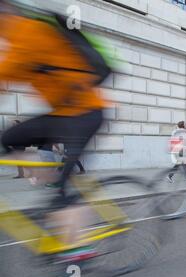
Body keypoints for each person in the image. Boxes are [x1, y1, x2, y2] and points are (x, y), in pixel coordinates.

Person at [0, 1, 108, 252]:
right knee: (9, 138)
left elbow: (6, 72)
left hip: (86, 113)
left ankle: (80, 249)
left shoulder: (28, 33)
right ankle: (51, 187)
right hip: (62, 114)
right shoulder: (16, 41)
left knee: (63, 188)